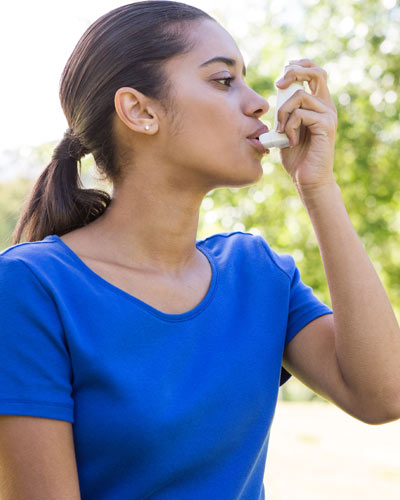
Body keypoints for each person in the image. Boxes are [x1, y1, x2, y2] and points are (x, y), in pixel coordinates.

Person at [1, 1, 399, 499]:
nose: (258, 104)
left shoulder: (258, 274)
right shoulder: (31, 287)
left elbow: (384, 394)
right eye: (223, 81)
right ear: (140, 111)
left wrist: (318, 187)